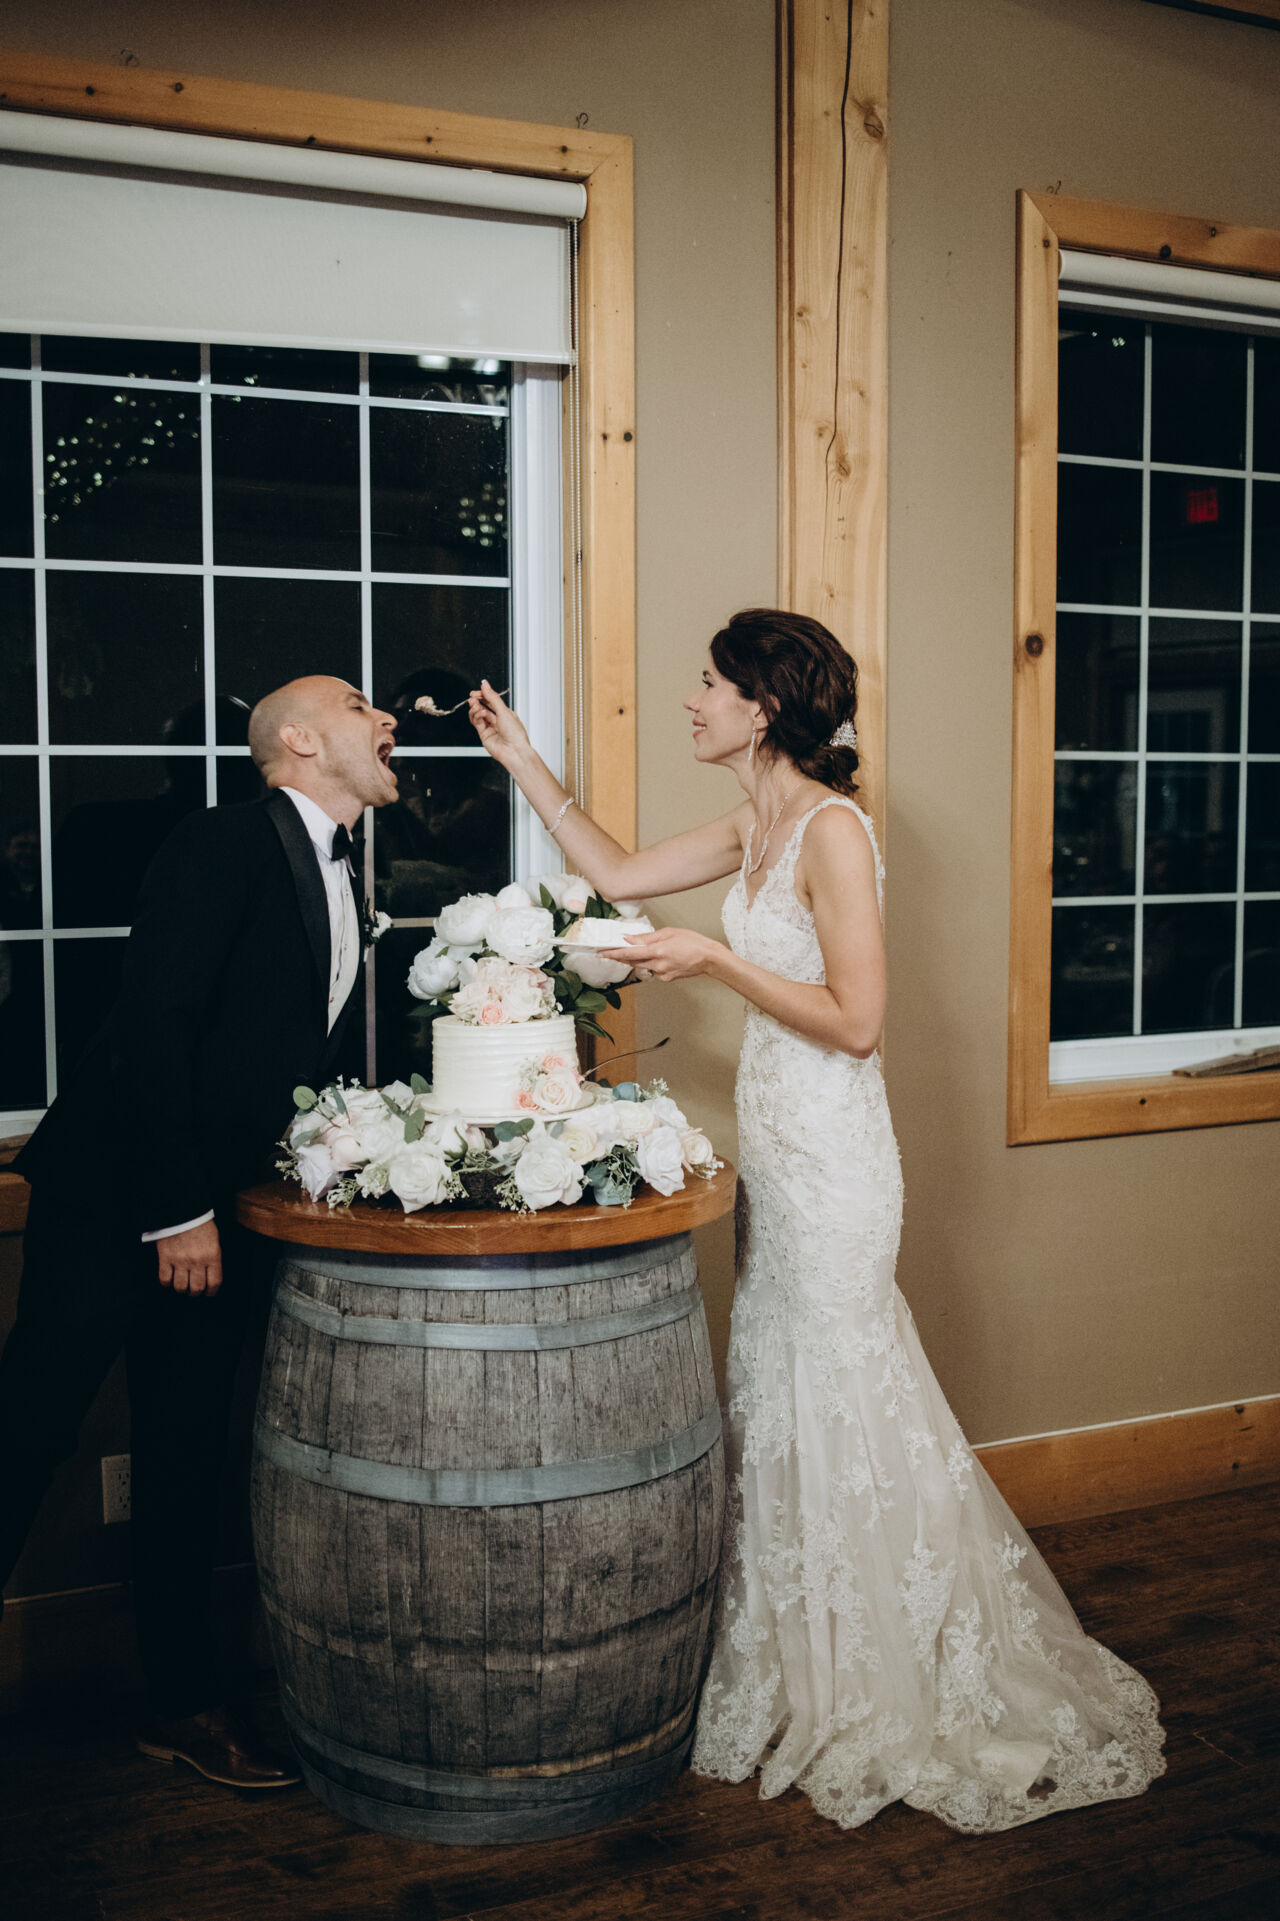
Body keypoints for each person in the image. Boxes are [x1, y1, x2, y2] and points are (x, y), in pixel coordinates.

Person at [468, 609, 1165, 1833]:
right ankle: (811, 1655)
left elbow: (855, 1019)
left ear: (761, 705)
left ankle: (895, 1664)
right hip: (777, 1152)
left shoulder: (831, 830)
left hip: (836, 1156)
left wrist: (713, 962)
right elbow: (619, 875)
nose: (692, 700)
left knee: (847, 1384)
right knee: (778, 1382)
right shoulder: (752, 820)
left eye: (708, 683)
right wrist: (525, 761)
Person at [0, 676, 398, 1789]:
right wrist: (178, 1212)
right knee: (28, 1430)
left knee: (185, 1454)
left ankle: (182, 1705)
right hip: (117, 1199)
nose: (387, 719)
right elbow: (154, 1025)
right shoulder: (220, 842)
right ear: (300, 740)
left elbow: (270, 1050)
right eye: (361, 705)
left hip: (227, 1215)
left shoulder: (347, 869)